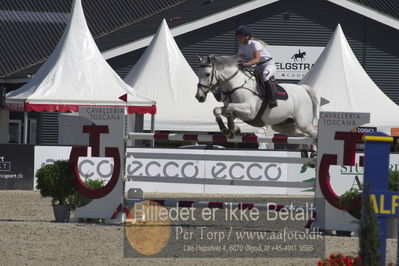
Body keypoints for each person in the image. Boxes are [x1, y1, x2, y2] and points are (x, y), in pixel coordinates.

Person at [235, 25, 277, 108]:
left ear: (247, 36)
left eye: (240, 36)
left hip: (268, 64)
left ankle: (272, 100)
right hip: (258, 66)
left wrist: (245, 64)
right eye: (238, 36)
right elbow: (240, 58)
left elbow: (256, 59)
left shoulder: (255, 44)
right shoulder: (242, 47)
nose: (238, 38)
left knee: (264, 76)